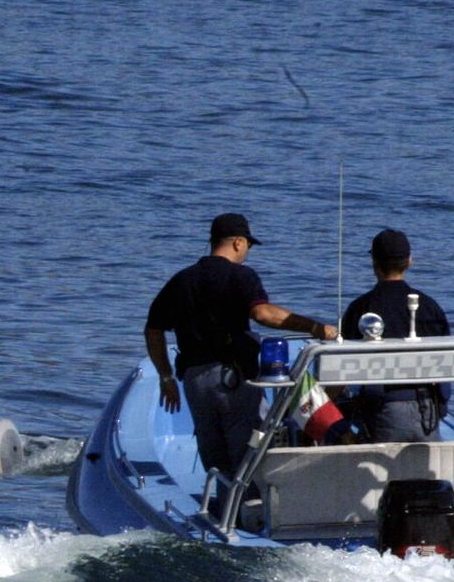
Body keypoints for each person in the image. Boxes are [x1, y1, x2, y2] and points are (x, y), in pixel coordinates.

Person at [145, 213, 338, 500]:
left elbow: (153, 330)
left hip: (195, 381)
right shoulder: (241, 275)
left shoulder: (181, 280)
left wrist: (165, 376)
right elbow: (263, 314)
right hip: (232, 381)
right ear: (237, 242)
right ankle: (252, 515)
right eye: (247, 244)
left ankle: (224, 513)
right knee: (248, 455)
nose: (247, 250)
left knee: (214, 455)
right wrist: (314, 327)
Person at [341, 228, 450, 441]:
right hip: (427, 411)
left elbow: (343, 369)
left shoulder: (360, 308)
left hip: (383, 411)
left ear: (374, 263)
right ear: (409, 261)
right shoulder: (430, 307)